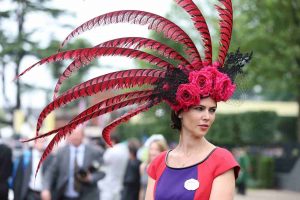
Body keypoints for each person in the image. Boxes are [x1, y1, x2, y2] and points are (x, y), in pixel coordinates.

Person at [18, 0, 252, 199]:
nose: (207, 116)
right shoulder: (159, 163)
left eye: (212, 110)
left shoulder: (222, 161)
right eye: (199, 108)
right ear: (180, 110)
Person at [41, 126, 105, 200]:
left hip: (88, 195)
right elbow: (51, 171)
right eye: (72, 134)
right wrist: (45, 189)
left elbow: (103, 171)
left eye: (77, 134)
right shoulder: (61, 152)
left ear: (83, 135)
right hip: (65, 196)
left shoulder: (94, 151)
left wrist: (90, 178)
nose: (75, 137)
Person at [98, 133, 129, 200]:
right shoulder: (125, 150)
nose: (105, 144)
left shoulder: (111, 151)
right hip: (118, 185)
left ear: (112, 141)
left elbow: (102, 163)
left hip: (107, 186)